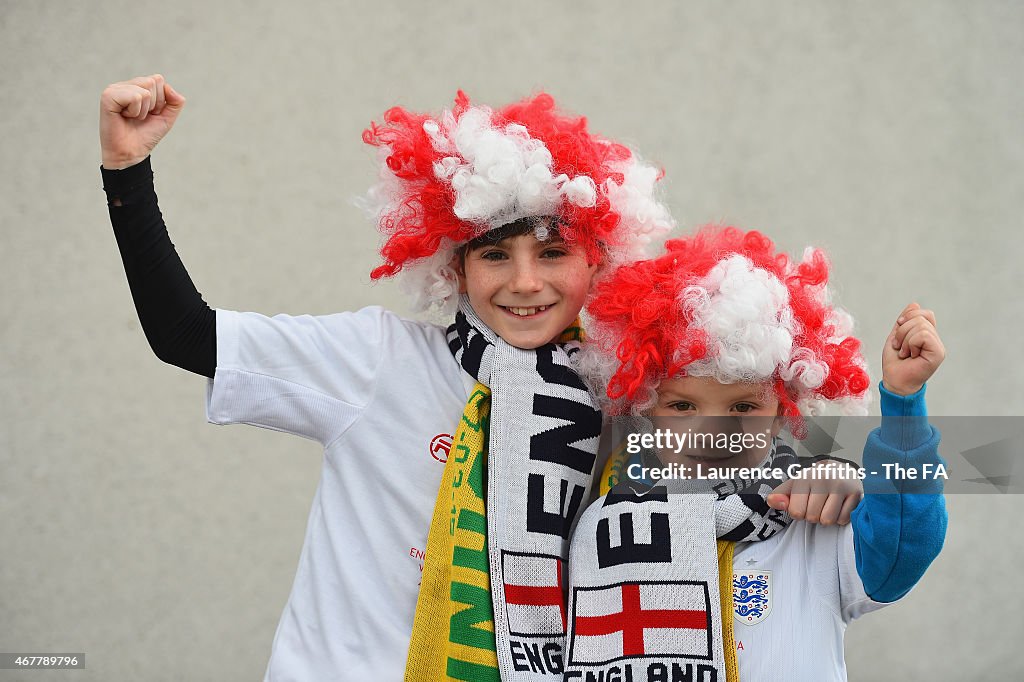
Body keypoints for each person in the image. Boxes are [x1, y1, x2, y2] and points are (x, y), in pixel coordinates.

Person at [98, 75, 676, 680]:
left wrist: (787, 478)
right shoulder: (379, 358)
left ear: (599, 259)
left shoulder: (619, 397)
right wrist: (127, 171)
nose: (526, 282)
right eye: (495, 254)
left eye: (553, 253)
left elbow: (735, 463)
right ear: (454, 263)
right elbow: (185, 334)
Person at [565, 227, 947, 681]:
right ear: (643, 408)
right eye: (682, 405)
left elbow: (905, 545)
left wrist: (903, 404)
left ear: (783, 412)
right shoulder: (602, 526)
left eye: (744, 407)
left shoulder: (817, 517)